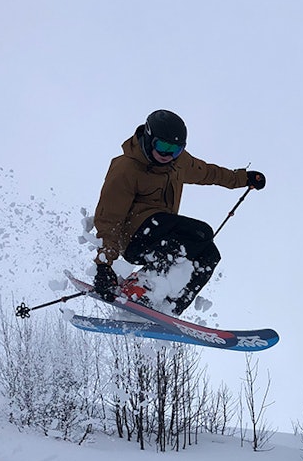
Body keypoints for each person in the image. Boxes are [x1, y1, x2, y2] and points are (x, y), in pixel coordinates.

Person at [91, 109, 266, 315]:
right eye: (162, 146)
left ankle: (167, 308)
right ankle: (142, 287)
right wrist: (103, 265)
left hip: (163, 234)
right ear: (148, 139)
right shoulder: (126, 168)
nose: (167, 155)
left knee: (209, 255)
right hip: (134, 238)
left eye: (175, 150)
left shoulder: (178, 163)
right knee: (201, 233)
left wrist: (243, 178)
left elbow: (209, 173)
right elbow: (108, 218)